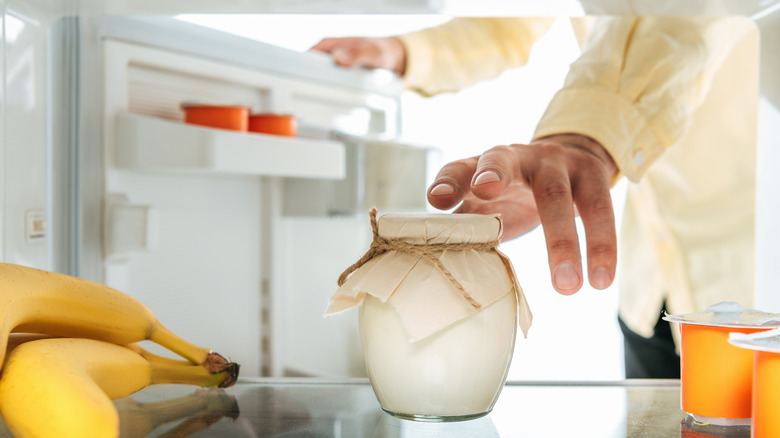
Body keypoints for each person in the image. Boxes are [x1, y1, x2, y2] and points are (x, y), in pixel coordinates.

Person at [312, 16, 759, 378]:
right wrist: (408, 52)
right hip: (649, 291)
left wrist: (588, 136)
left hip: (748, 284)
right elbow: (509, 21)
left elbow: (687, 17)